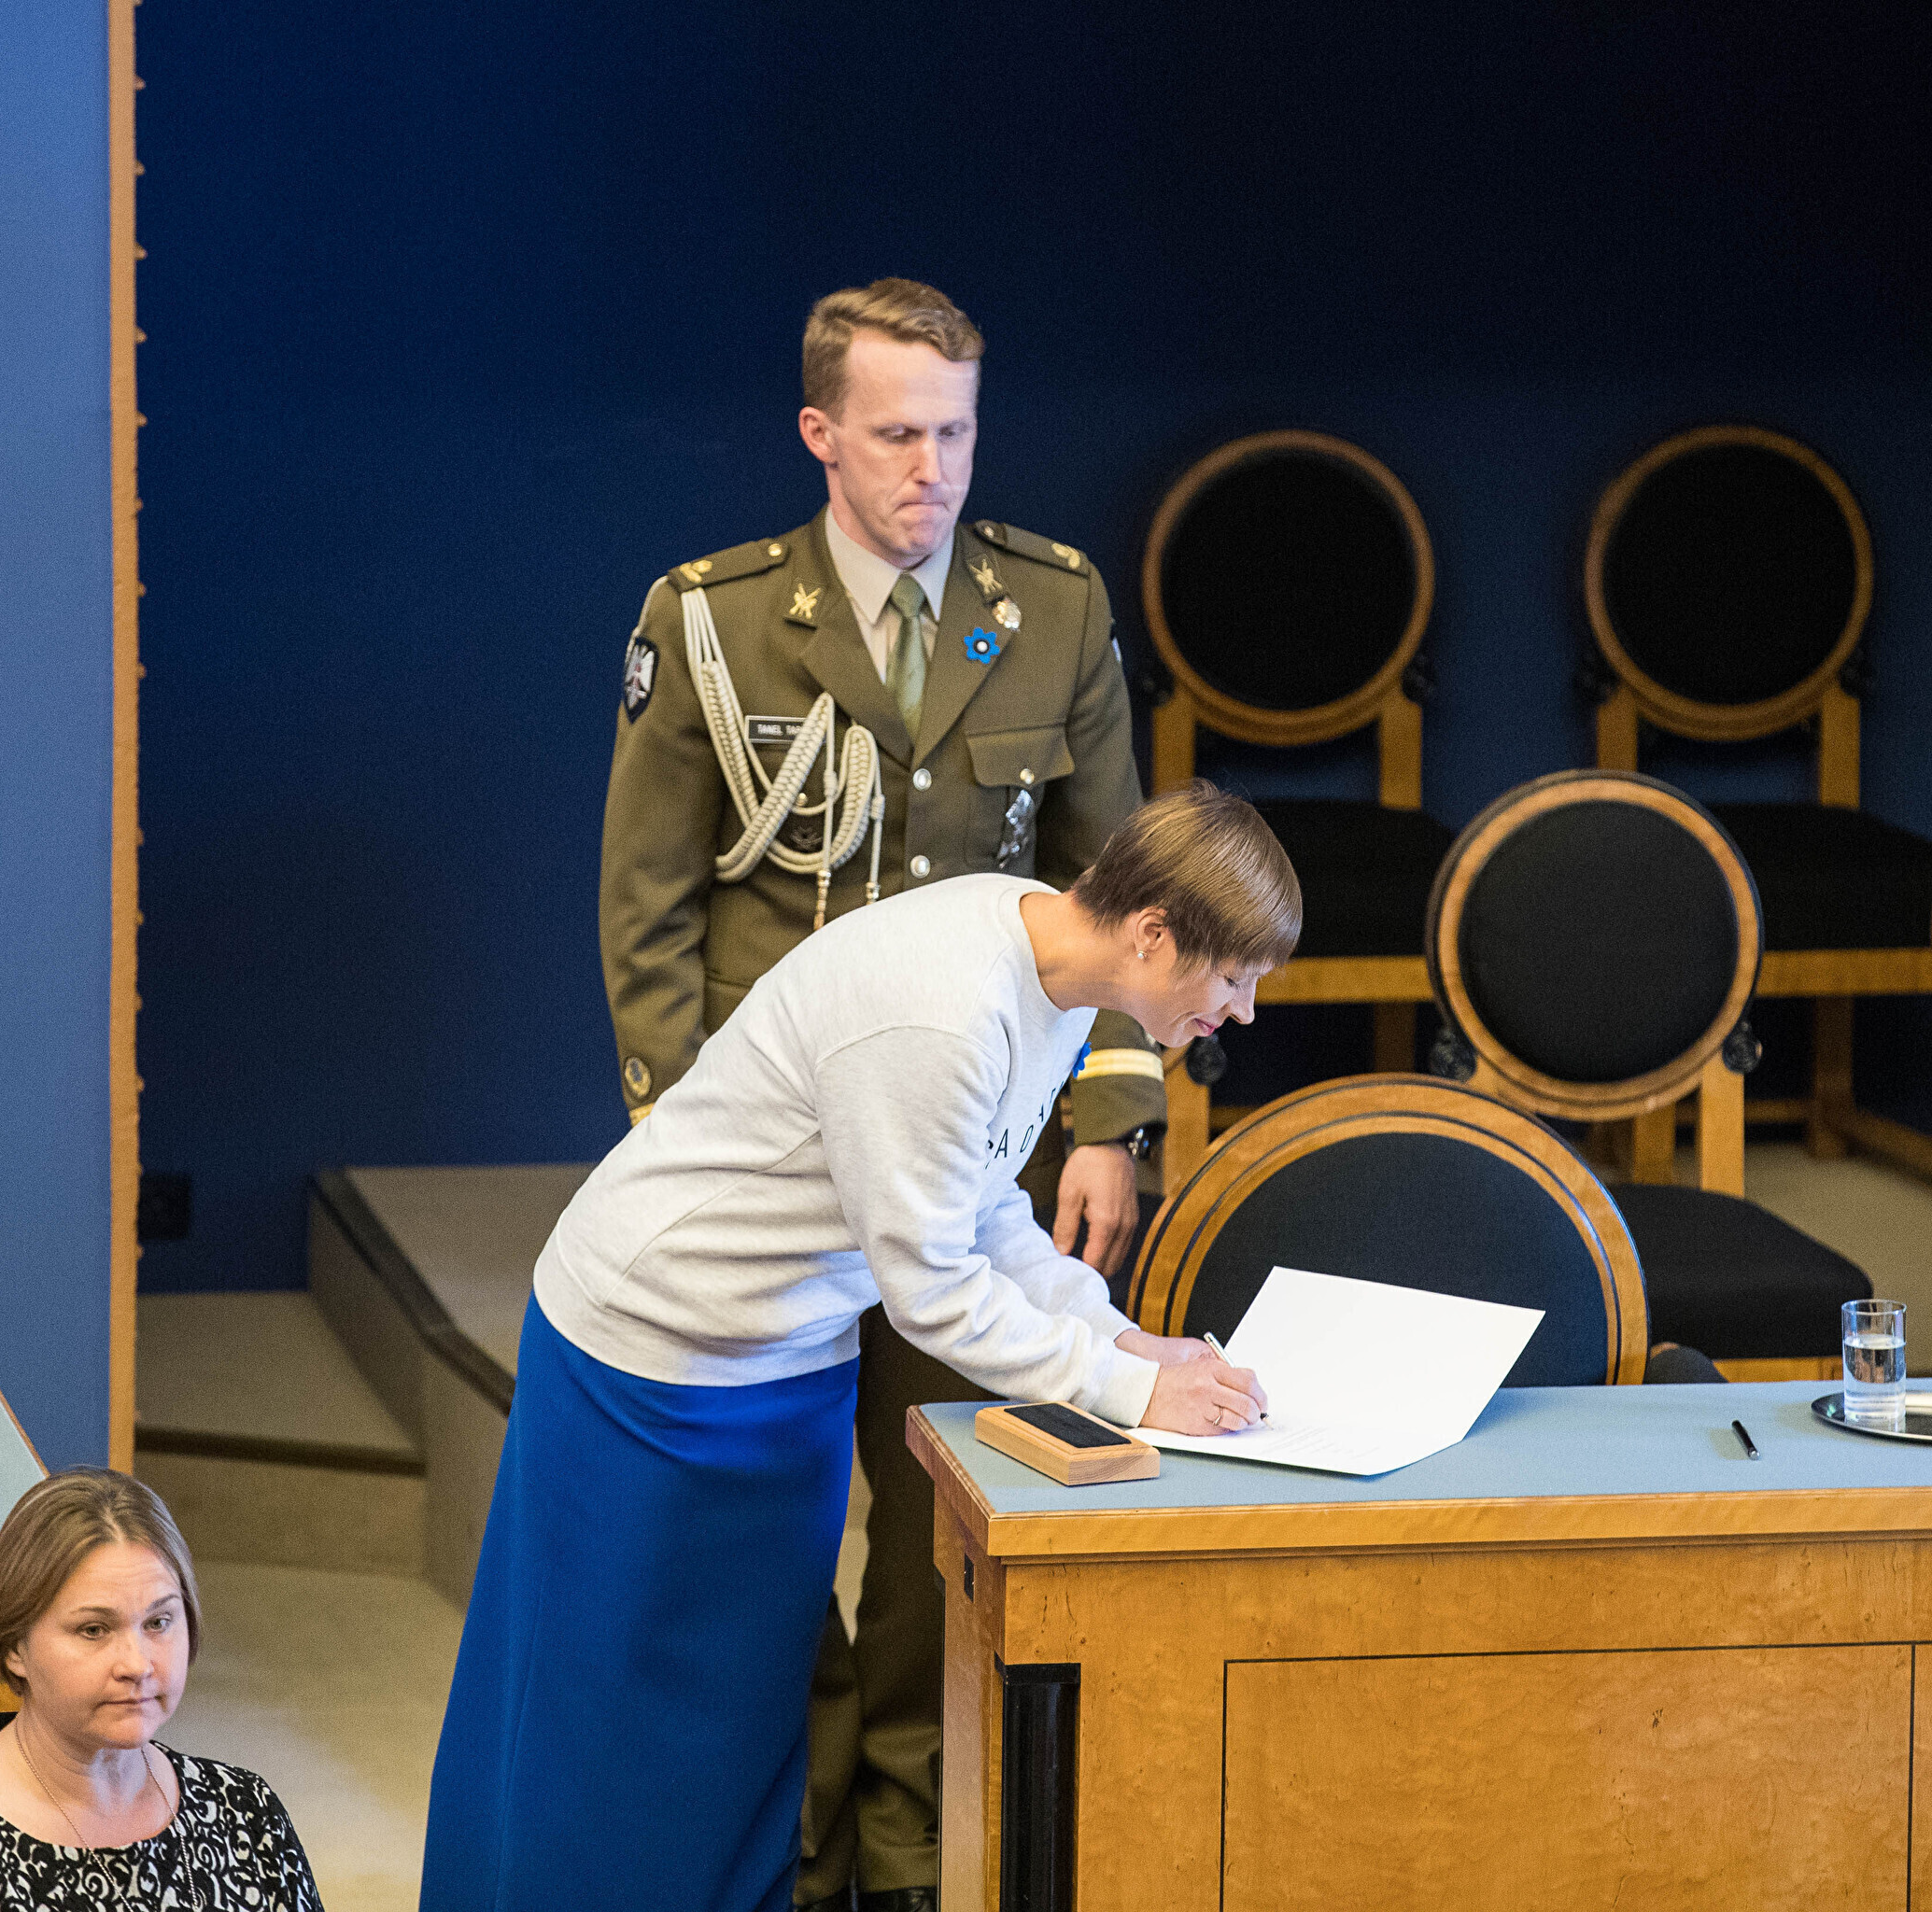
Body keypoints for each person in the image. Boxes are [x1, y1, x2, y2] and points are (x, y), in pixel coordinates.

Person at [423, 782, 1295, 1912]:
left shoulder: (1056, 974)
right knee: (599, 1723)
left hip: (786, 1359)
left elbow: (982, 1210)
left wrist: (1125, 1337)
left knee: (739, 1721)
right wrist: (1126, 1388)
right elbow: (931, 1291)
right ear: (1153, 934)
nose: (1243, 1011)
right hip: (649, 1355)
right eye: (1233, 978)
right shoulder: (942, 1009)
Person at [598, 275, 1165, 1912]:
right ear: (820, 433)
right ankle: (807, 1830)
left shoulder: (1050, 604)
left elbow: (1114, 881)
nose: (934, 468)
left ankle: (911, 1844)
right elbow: (650, 911)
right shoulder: (711, 618)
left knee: (937, 1506)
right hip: (776, 1169)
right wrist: (682, 1145)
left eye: (958, 433)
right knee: (770, 1519)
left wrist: (1110, 1120)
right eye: (900, 433)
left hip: (963, 1149)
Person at [0, 1468, 322, 1910]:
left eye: (158, 1622)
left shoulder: (245, 1811)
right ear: (14, 1646)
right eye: (94, 1630)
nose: (137, 1665)